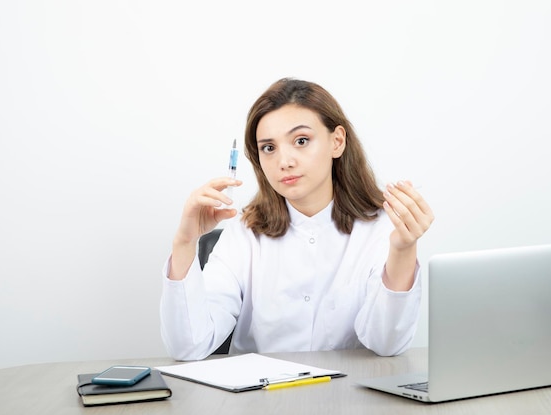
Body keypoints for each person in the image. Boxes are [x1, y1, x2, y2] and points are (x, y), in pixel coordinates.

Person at [160, 78, 434, 361]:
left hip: (351, 399)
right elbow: (190, 346)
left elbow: (386, 344)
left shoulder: (381, 228)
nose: (284, 161)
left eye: (301, 141)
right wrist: (185, 242)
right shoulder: (244, 233)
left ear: (337, 141)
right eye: (269, 148)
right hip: (260, 399)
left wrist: (402, 249)